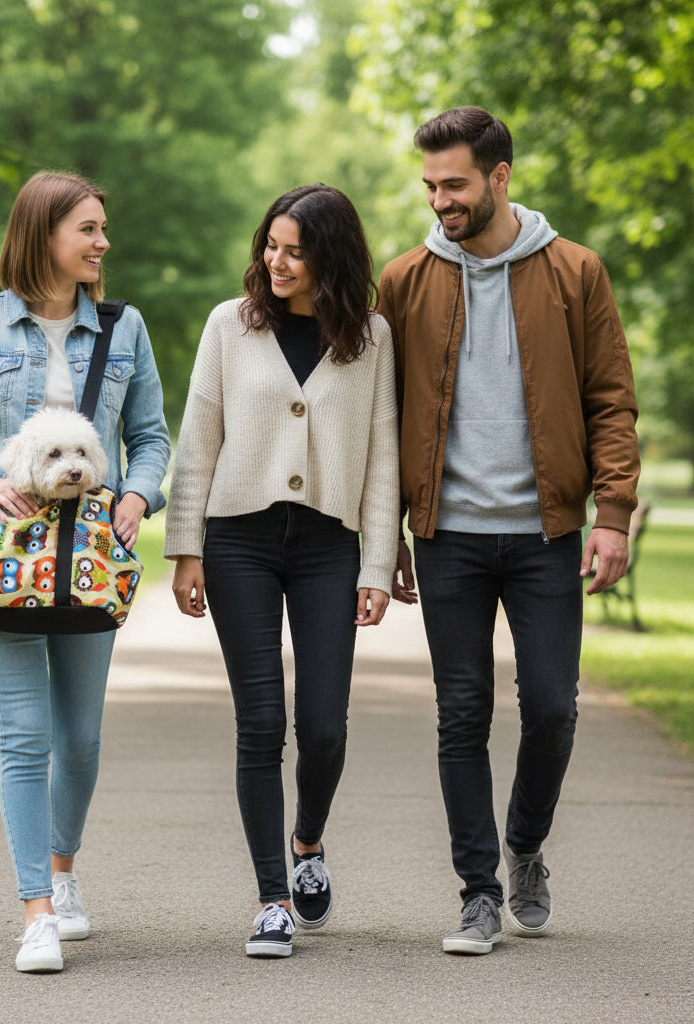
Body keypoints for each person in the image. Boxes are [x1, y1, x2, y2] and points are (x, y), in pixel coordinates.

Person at [377, 107, 640, 955]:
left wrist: (612, 515)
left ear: (500, 176)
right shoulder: (404, 280)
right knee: (461, 713)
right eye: (430, 186)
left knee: (554, 708)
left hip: (546, 533)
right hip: (447, 535)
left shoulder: (575, 272)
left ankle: (526, 846)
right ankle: (478, 892)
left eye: (454, 183)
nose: (440, 200)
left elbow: (611, 400)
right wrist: (385, 533)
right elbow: (380, 419)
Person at [0, 171, 170, 973]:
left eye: (102, 228)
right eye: (87, 229)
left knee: (81, 739)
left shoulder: (124, 330)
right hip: (2, 556)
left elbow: (154, 435)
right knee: (24, 734)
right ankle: (35, 914)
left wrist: (137, 494)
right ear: (43, 234)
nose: (102, 243)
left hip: (91, 559)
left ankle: (64, 874)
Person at [165, 184, 400, 958]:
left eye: (295, 251)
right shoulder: (229, 326)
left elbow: (384, 460)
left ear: (330, 258)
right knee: (261, 723)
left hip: (329, 546)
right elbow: (198, 438)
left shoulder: (370, 337)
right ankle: (272, 899)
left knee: (324, 728)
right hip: (241, 541)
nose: (276, 261)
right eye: (271, 245)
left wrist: (376, 561)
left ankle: (308, 843)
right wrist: (186, 546)